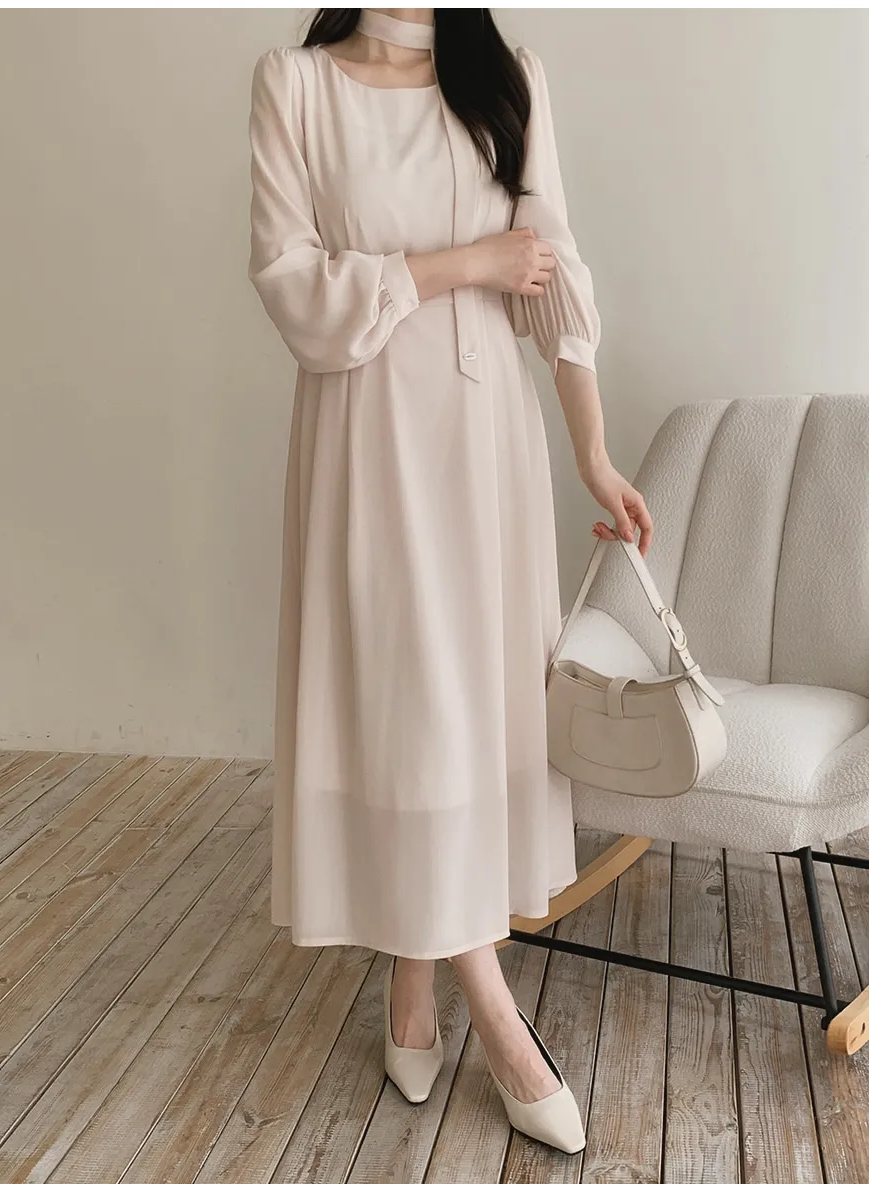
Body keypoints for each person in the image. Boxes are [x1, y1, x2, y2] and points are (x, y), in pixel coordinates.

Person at [247, 7, 653, 1154]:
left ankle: (413, 977)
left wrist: (590, 450)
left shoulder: (504, 75)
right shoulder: (294, 85)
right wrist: (463, 264)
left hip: (483, 443)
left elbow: (553, 270)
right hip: (365, 437)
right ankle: (499, 1017)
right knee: (408, 709)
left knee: (465, 716)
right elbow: (289, 282)